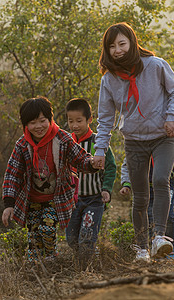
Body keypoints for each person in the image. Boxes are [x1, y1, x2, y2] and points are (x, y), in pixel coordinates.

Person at [92, 22, 174, 262]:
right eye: (112, 46)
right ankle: (142, 248)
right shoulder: (109, 80)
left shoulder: (155, 66)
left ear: (132, 43)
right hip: (134, 141)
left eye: (122, 43)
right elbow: (104, 119)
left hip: (163, 137)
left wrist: (172, 117)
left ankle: (160, 238)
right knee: (141, 196)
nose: (118, 50)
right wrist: (100, 150)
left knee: (161, 179)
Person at [1, 96, 97, 263]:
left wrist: (92, 163)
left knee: (47, 229)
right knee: (33, 236)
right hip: (32, 200)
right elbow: (13, 173)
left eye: (42, 120)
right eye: (32, 123)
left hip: (56, 198)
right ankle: (35, 267)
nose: (38, 126)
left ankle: (52, 258)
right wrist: (9, 204)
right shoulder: (23, 145)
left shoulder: (62, 139)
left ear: (50, 119)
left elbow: (79, 159)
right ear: (25, 125)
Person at [65, 98, 117, 270]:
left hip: (94, 199)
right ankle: (83, 258)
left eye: (79, 121)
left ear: (90, 119)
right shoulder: (67, 142)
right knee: (71, 237)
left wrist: (106, 189)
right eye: (70, 121)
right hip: (72, 200)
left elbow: (110, 167)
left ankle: (86, 268)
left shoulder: (98, 142)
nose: (75, 125)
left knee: (87, 235)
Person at [120, 147, 174, 259]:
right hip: (144, 187)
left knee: (168, 217)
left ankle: (170, 250)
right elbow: (128, 165)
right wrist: (126, 183)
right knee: (149, 217)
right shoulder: (138, 143)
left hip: (166, 186)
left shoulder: (169, 145)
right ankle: (153, 248)